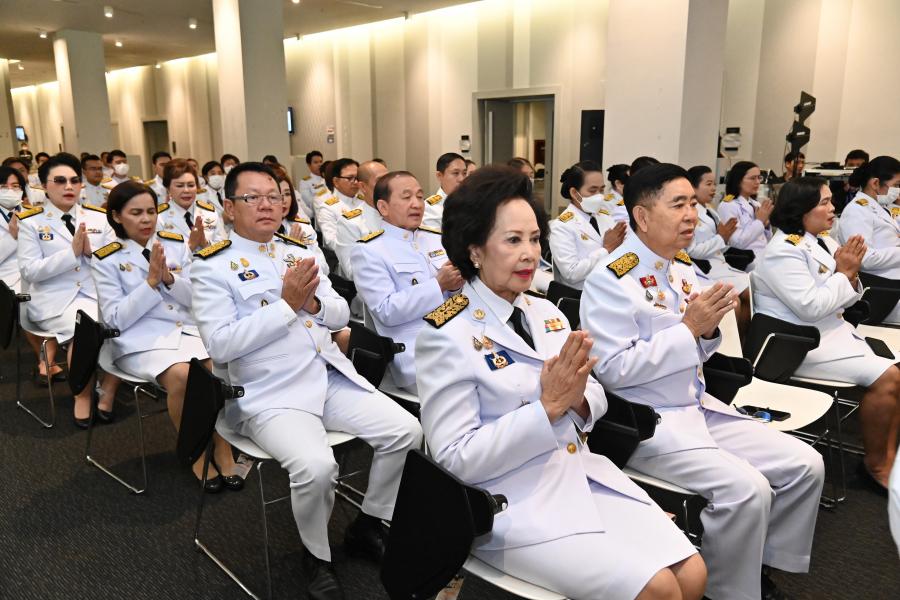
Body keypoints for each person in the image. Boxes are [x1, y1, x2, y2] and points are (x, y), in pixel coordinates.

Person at [417, 166, 706, 600]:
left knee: (693, 572)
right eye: (513, 241)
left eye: (535, 239)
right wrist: (547, 408)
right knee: (658, 588)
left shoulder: (546, 313)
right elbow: (455, 459)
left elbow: (594, 394)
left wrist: (575, 400)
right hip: (509, 502)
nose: (530, 254)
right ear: (474, 250)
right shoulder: (446, 333)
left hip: (578, 474)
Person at [580, 163, 825, 600]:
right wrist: (690, 329)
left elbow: (698, 349)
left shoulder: (680, 266)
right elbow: (613, 371)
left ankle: (759, 564)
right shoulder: (611, 278)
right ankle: (728, 590)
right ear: (642, 216)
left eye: (693, 203)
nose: (692, 214)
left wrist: (707, 332)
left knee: (806, 465)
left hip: (696, 405)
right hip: (649, 420)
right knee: (747, 490)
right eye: (679, 205)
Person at [190, 162, 422, 600]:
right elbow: (220, 346)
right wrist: (285, 306)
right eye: (252, 198)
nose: (266, 205)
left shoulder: (296, 251)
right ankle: (317, 556)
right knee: (317, 468)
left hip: (325, 376)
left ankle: (369, 523)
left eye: (274, 197)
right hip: (269, 394)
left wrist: (311, 304)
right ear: (229, 207)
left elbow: (340, 312)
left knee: (407, 431)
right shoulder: (210, 266)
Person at [91, 180, 242, 492]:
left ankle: (222, 446)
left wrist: (170, 279)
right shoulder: (106, 258)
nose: (146, 219)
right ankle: (195, 452)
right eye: (136, 213)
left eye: (150, 211)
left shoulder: (174, 243)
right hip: (140, 341)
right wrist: (149, 284)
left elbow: (196, 299)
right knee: (184, 377)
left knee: (220, 370)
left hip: (185, 331)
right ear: (117, 216)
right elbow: (115, 318)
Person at [755, 176, 900, 489]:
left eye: (831, 201)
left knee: (896, 370)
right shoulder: (783, 251)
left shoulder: (823, 240)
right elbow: (810, 307)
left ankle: (890, 458)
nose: (833, 208)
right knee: (889, 377)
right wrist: (844, 274)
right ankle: (876, 467)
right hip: (800, 344)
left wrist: (849, 275)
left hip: (834, 332)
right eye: (824, 202)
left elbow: (849, 297)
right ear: (801, 210)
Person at [16, 153, 121, 427]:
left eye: (74, 180)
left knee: (129, 324)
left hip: (97, 294)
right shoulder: (31, 222)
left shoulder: (98, 218)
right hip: (55, 299)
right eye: (60, 181)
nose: (69, 187)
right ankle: (82, 395)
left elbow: (116, 262)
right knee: (84, 331)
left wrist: (91, 254)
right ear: (44, 186)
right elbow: (29, 271)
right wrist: (71, 254)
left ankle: (108, 389)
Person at [350, 171, 462, 391]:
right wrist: (438, 285)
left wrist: (457, 286)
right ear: (383, 207)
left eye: (420, 196)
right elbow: (386, 310)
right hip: (417, 354)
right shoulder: (369, 251)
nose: (417, 204)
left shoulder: (436, 239)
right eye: (406, 197)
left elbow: (456, 298)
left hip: (458, 339)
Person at [685, 165, 750, 333]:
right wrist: (721, 237)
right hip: (706, 269)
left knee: (752, 291)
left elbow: (723, 243)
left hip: (721, 264)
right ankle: (738, 341)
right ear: (693, 187)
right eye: (708, 184)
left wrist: (725, 237)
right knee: (739, 299)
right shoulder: (690, 214)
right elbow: (692, 251)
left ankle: (745, 340)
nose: (713, 188)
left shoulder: (710, 211)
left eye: (714, 184)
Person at [836, 156, 900, 319]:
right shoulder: (856, 211)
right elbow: (865, 258)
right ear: (875, 183)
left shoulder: (881, 208)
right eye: (896, 185)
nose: (898, 190)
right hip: (882, 290)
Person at [548, 161, 626, 290]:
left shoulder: (605, 216)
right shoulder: (562, 226)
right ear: (575, 193)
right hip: (582, 294)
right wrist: (606, 249)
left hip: (612, 287)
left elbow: (622, 255)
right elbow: (571, 273)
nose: (599, 196)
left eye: (601, 190)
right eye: (592, 190)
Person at [155, 159, 225, 251]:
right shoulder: (159, 218)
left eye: (191, 185)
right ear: (168, 188)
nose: (186, 190)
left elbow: (224, 246)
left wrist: (205, 243)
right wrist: (191, 246)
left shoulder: (209, 212)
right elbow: (160, 255)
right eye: (179, 186)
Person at [334, 160, 386, 278]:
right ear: (362, 186)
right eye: (380, 180)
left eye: (388, 179)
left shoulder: (400, 213)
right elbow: (351, 271)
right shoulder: (350, 223)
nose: (387, 185)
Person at [715, 161, 773, 267]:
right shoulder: (728, 205)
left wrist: (766, 225)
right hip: (745, 260)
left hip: (763, 255)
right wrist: (759, 222)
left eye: (759, 178)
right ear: (738, 180)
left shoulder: (756, 204)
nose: (757, 182)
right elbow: (736, 243)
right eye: (752, 178)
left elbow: (765, 240)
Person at [274, 170, 329, 275]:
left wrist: (299, 251)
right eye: (276, 195)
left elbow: (324, 268)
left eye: (287, 194)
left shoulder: (303, 227)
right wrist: (293, 249)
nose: (284, 200)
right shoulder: (260, 234)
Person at [316, 157, 360, 255]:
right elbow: (331, 242)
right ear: (336, 181)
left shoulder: (364, 200)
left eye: (357, 178)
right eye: (350, 178)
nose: (356, 182)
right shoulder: (328, 208)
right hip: (347, 256)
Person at [422, 153, 466, 230]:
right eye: (455, 173)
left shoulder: (471, 202)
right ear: (439, 176)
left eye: (464, 173)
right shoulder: (430, 208)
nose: (462, 179)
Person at [0, 165, 27, 292]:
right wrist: (13, 237)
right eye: (4, 187)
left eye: (15, 186)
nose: (10, 190)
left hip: (36, 279)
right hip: (5, 283)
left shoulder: (34, 214)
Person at [299, 150, 326, 218]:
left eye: (321, 161)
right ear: (309, 165)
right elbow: (309, 202)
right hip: (316, 216)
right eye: (316, 162)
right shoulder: (305, 182)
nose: (319, 164)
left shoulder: (327, 178)